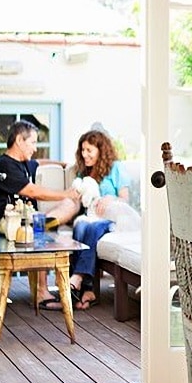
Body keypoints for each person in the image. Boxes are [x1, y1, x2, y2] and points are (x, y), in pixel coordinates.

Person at [0, 120, 81, 309]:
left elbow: (39, 163)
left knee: (69, 206)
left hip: (27, 222)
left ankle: (43, 227)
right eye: (32, 143)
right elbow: (34, 192)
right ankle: (42, 292)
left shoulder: (24, 163)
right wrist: (66, 193)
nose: (35, 148)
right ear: (19, 140)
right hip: (10, 224)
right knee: (62, 208)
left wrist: (62, 163)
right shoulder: (5, 165)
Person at [68, 128, 130, 311]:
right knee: (80, 228)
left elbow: (125, 199)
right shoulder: (84, 173)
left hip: (113, 220)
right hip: (91, 217)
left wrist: (110, 199)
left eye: (89, 150)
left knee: (93, 229)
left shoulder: (116, 168)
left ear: (101, 151)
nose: (84, 154)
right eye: (83, 150)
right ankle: (88, 290)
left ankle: (78, 277)